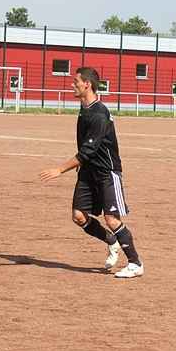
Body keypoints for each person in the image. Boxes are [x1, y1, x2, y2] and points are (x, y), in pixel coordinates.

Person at [39, 67, 143, 278]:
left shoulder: (98, 113)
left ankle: (135, 263)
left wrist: (60, 169)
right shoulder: (84, 106)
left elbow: (88, 151)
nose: (72, 84)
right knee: (78, 216)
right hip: (88, 171)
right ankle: (111, 241)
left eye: (76, 81)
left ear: (87, 84)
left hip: (107, 171)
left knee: (112, 219)